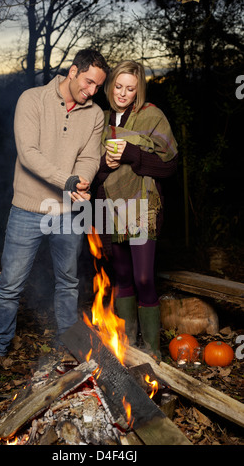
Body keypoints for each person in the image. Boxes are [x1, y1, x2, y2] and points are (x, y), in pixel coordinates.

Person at [0, 49, 109, 381]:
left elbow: (91, 156)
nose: (92, 91)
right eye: (89, 82)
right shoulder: (31, 99)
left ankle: (70, 347)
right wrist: (66, 181)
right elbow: (28, 153)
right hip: (27, 207)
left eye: (98, 86)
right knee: (10, 285)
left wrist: (83, 180)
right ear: (72, 71)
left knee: (67, 282)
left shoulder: (94, 114)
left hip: (68, 212)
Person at [94, 60, 178, 357]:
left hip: (141, 205)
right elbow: (90, 170)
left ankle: (152, 353)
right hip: (109, 207)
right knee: (122, 276)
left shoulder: (152, 115)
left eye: (131, 88)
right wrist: (106, 163)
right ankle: (128, 349)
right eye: (118, 86)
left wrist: (132, 154)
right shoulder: (99, 119)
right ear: (109, 85)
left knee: (143, 277)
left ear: (138, 90)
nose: (123, 93)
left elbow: (169, 166)